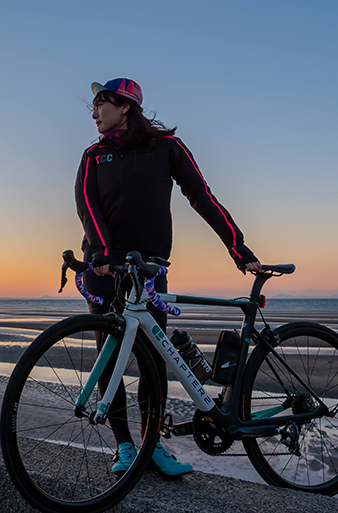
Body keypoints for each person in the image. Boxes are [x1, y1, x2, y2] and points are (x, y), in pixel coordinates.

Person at [75, 77, 261, 477]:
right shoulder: (94, 155)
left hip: (150, 268)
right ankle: (125, 446)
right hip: (105, 267)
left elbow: (202, 196)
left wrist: (238, 249)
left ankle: (151, 444)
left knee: (152, 360)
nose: (93, 113)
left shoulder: (167, 148)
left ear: (124, 106)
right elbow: (87, 207)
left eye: (100, 105)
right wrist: (104, 253)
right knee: (109, 357)